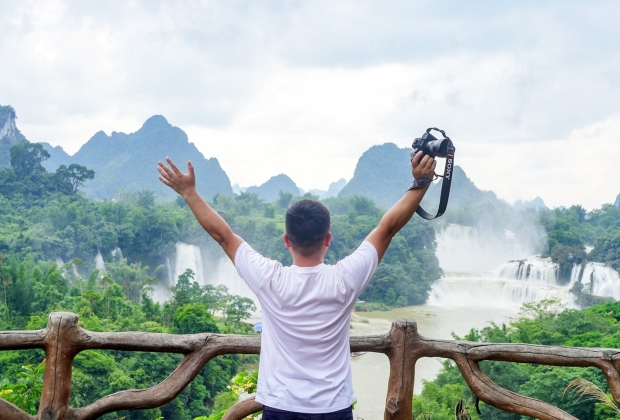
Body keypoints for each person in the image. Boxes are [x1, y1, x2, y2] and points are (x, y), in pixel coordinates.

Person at [157, 151, 436, 420]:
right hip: (333, 407)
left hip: (281, 406)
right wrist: (420, 184)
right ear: (328, 239)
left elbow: (223, 236)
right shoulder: (345, 279)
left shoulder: (269, 279)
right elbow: (387, 229)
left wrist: (189, 192)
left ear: (286, 240)